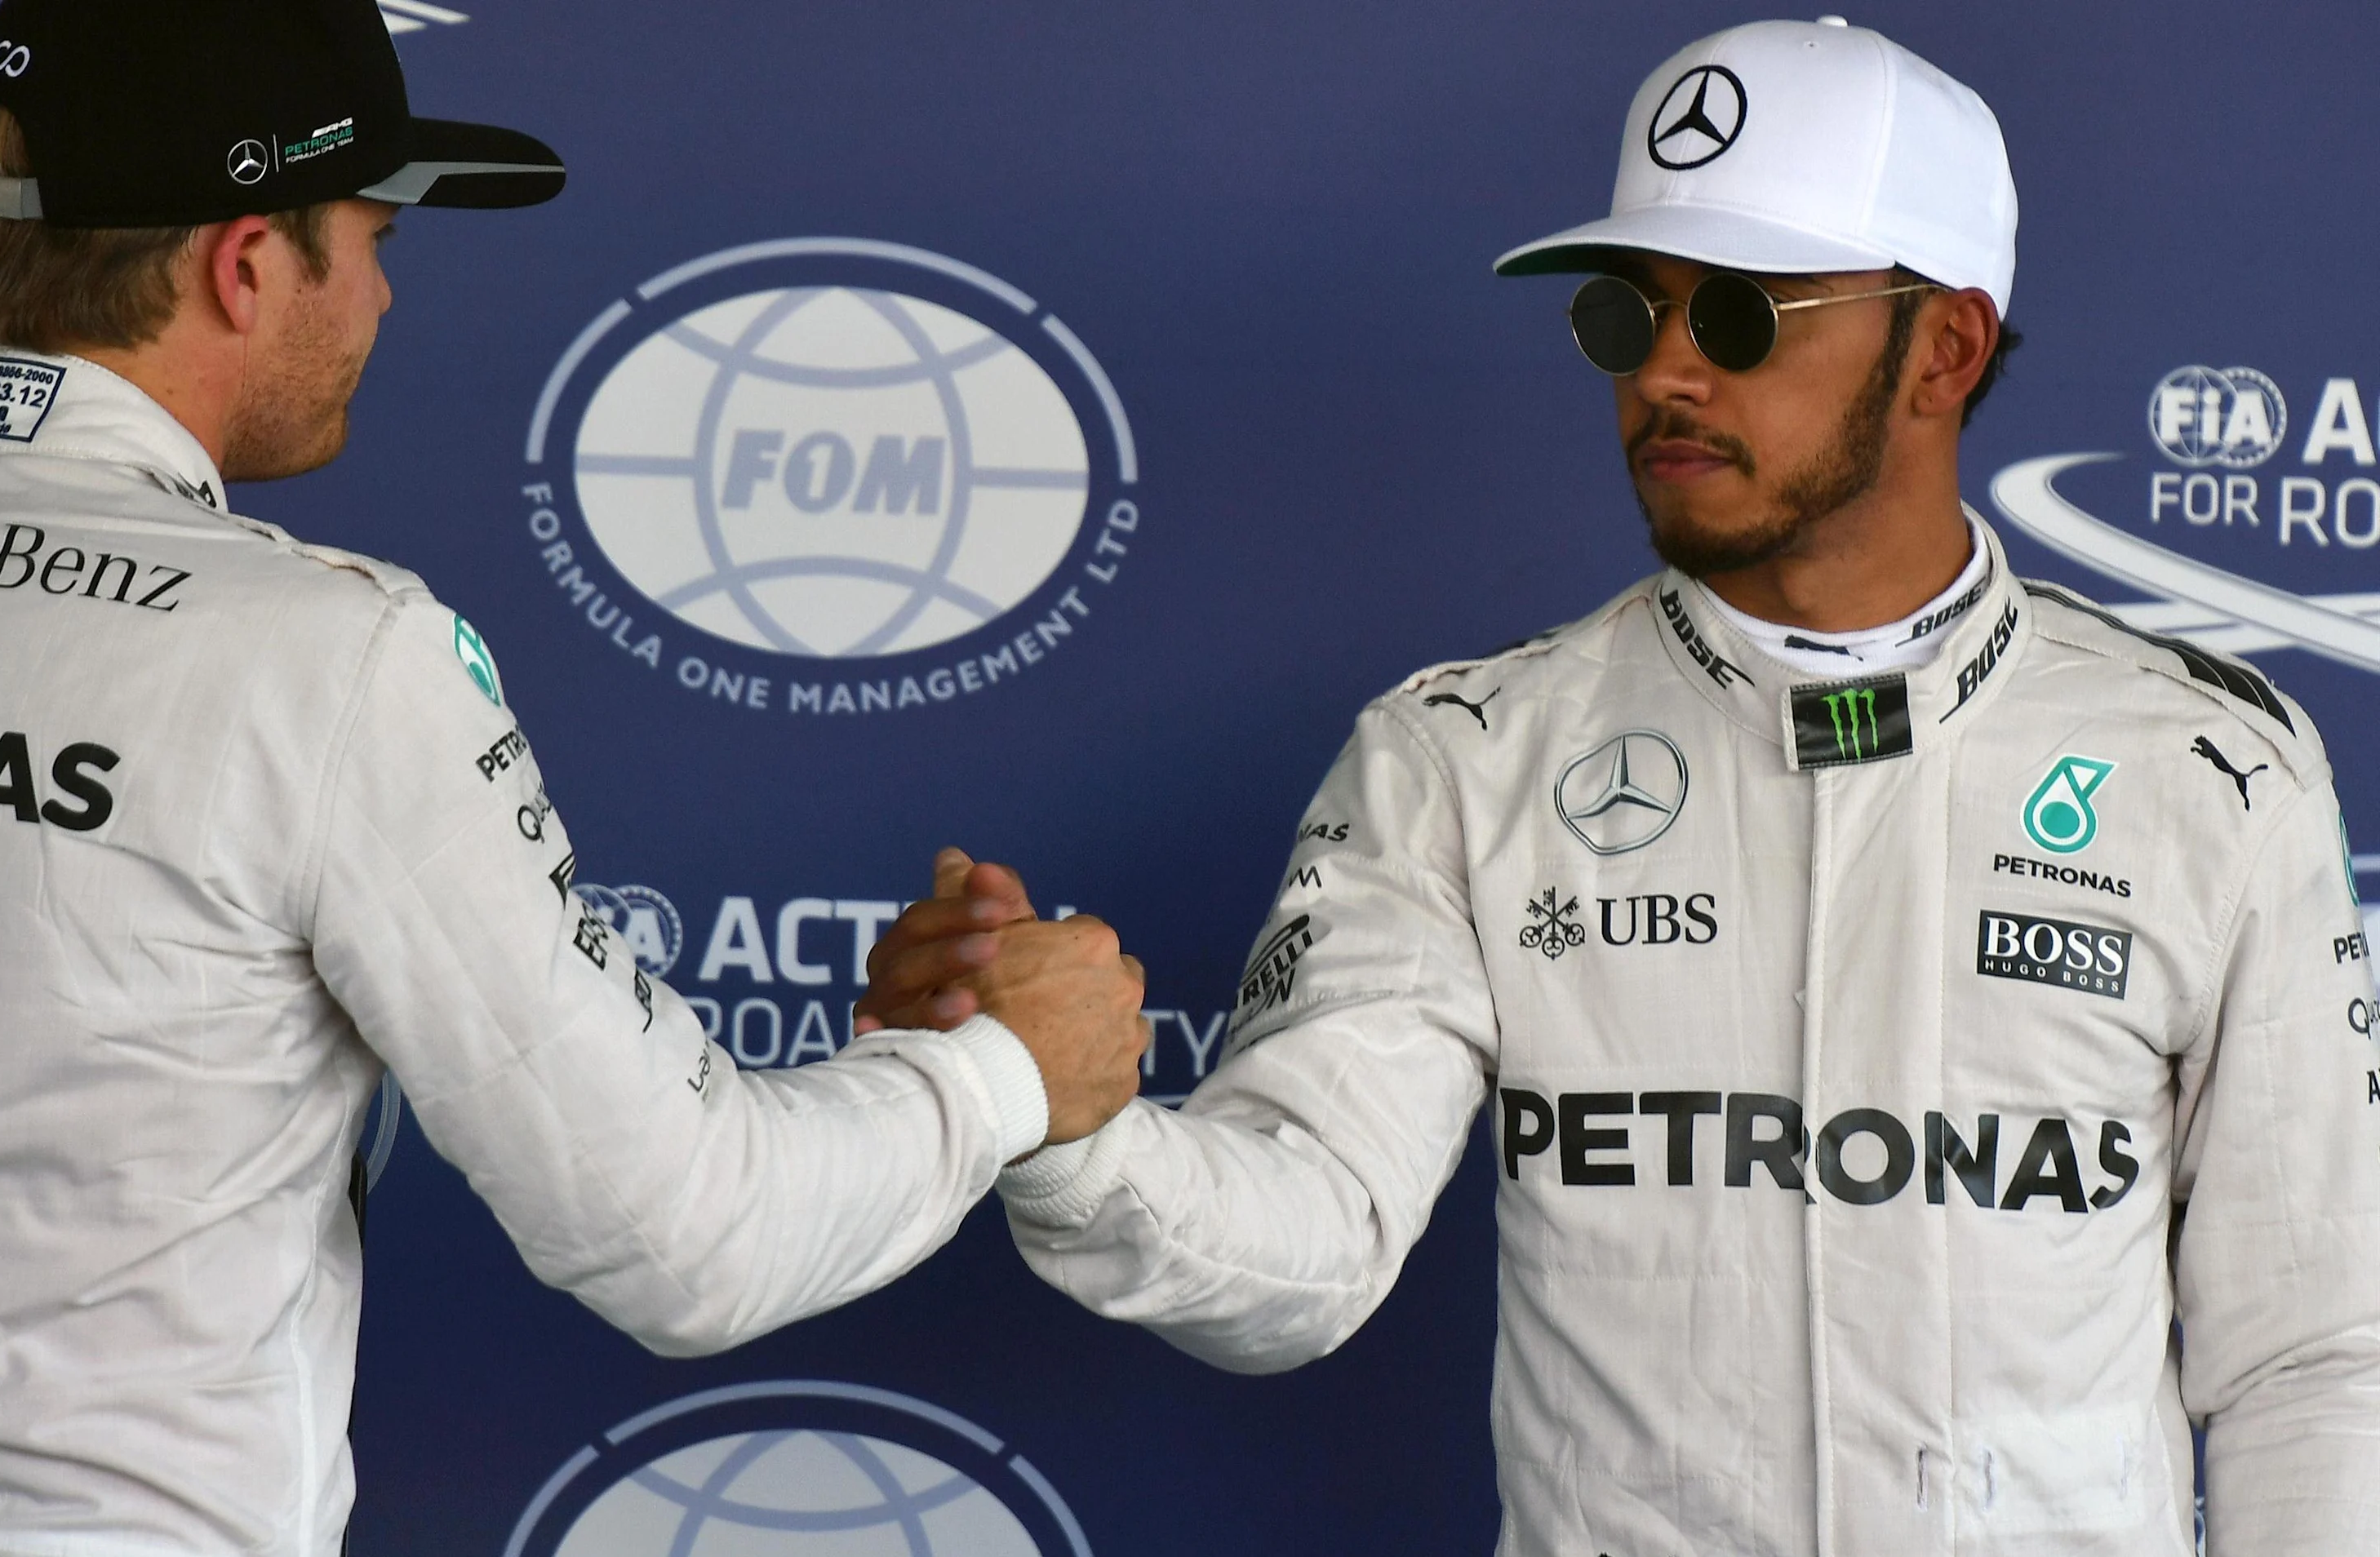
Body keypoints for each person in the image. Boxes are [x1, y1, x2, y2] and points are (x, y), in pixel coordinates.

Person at [0, 1, 1148, 1552]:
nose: (387, 298)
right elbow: (692, 1235)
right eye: (370, 238)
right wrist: (1011, 1073)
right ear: (246, 262)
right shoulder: (325, 659)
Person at [863, 19, 2380, 1555]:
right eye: (1624, 312)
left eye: (1736, 314)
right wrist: (1068, 1130)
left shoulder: (2212, 769)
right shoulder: (1463, 756)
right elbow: (1307, 1241)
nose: (1662, 369)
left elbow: (2320, 1355)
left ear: (1946, 347)